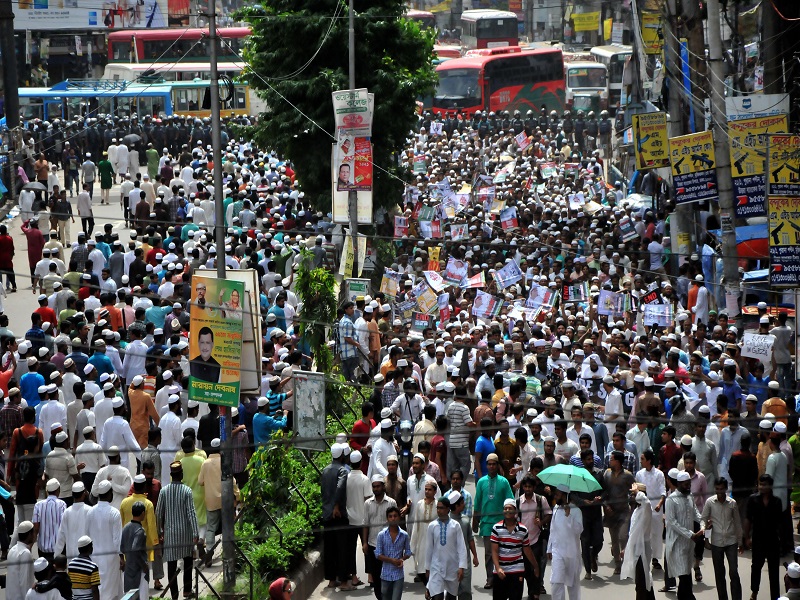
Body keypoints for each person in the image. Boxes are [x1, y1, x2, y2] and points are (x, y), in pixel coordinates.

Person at [157, 461, 199, 600]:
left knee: (171, 564)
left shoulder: (164, 491)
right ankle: (187, 591)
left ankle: (174, 596)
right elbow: (191, 512)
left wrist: (159, 532)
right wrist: (195, 533)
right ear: (181, 474)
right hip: (185, 533)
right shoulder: (187, 490)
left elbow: (159, 513)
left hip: (170, 534)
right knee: (187, 561)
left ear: (171, 475)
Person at [473, 453, 514, 589]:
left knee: (503, 552)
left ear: (497, 466)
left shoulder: (504, 482)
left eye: (494, 464)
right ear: (486, 465)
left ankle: (501, 575)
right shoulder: (481, 482)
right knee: (489, 554)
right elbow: (477, 503)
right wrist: (475, 522)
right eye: (489, 464)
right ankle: (490, 578)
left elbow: (510, 501)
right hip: (486, 524)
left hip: (502, 523)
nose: (491, 466)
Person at [701, 477, 742, 600]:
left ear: (726, 489)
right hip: (716, 542)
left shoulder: (732, 503)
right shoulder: (710, 502)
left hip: (731, 541)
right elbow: (703, 518)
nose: (719, 492)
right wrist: (703, 528)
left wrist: (740, 542)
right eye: (717, 489)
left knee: (734, 572)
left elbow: (737, 523)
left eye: (721, 489)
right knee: (719, 574)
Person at [665, 471, 705, 600]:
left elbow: (695, 514)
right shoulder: (671, 499)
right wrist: (690, 534)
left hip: (689, 544)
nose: (688, 487)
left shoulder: (690, 497)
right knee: (685, 577)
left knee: (686, 574)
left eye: (689, 484)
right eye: (686, 484)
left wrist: (704, 522)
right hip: (677, 543)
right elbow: (672, 522)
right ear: (679, 484)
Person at [744, 474, 783, 600]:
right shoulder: (752, 499)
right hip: (758, 538)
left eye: (764, 484)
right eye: (760, 484)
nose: (762, 487)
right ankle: (754, 592)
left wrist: (781, 539)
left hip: (772, 539)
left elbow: (779, 522)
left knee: (773, 569)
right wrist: (747, 537)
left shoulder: (777, 501)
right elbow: (748, 519)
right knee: (756, 566)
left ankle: (775, 596)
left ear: (770, 486)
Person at [321, 443, 353, 590]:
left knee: (329, 548)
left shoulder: (325, 470)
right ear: (342, 456)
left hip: (326, 514)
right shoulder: (342, 471)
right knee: (342, 548)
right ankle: (345, 582)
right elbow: (340, 487)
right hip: (339, 513)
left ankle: (332, 580)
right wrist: (336, 506)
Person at [425, 495, 468, 600]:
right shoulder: (432, 526)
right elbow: (429, 548)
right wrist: (427, 568)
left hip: (452, 567)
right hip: (436, 567)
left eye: (441, 508)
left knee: (451, 597)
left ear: (448, 509)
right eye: (438, 508)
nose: (439, 510)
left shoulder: (455, 525)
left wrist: (461, 567)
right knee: (437, 596)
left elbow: (461, 547)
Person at [86, 479, 123, 600]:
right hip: (111, 558)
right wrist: (121, 558)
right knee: (111, 591)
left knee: (99, 589)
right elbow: (117, 539)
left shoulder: (90, 512)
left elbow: (87, 536)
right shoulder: (114, 513)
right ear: (109, 493)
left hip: (94, 557)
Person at [363, 475, 397, 600]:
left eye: (378, 486)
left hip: (388, 546)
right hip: (373, 545)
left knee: (389, 575)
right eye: (374, 486)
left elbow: (395, 525)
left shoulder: (391, 503)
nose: (376, 489)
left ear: (383, 487)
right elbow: (366, 524)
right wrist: (364, 543)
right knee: (376, 577)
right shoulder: (367, 503)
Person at [547, 485, 583, 600]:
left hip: (572, 553)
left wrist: (569, 516)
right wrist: (549, 548)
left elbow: (578, 530)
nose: (555, 496)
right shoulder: (556, 509)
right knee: (556, 582)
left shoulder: (576, 510)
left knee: (573, 585)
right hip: (557, 552)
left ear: (564, 495)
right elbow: (552, 529)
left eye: (557, 494)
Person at [620, 483, 655, 600]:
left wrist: (637, 492)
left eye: (633, 494)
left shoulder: (646, 509)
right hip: (635, 549)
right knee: (642, 579)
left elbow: (647, 502)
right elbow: (633, 533)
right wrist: (626, 548)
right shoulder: (636, 511)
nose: (631, 496)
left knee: (642, 581)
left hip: (643, 550)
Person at [375, 505, 412, 600]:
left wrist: (401, 559)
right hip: (385, 574)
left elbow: (408, 551)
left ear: (399, 517)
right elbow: (377, 554)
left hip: (398, 575)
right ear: (387, 519)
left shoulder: (404, 535)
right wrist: (391, 560)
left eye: (395, 516)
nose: (393, 518)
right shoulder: (381, 535)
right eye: (390, 516)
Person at [121, 501, 150, 600]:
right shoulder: (140, 531)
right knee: (142, 597)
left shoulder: (125, 527)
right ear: (142, 513)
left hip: (128, 569)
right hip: (139, 571)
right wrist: (144, 566)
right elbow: (135, 550)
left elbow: (122, 548)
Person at [7, 520, 35, 600]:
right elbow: (25, 582)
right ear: (29, 535)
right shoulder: (25, 553)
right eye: (33, 533)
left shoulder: (12, 550)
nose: (34, 535)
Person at [68, 535, 101, 600]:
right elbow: (95, 590)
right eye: (91, 546)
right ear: (89, 548)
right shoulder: (93, 567)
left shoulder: (71, 564)